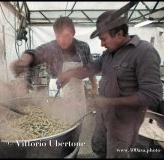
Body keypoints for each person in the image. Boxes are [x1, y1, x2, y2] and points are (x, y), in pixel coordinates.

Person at [56, 10, 163, 158]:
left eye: (103, 39)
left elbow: (151, 96)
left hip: (125, 123)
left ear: (119, 34)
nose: (101, 44)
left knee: (117, 154)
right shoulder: (108, 54)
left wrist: (110, 102)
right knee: (99, 147)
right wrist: (69, 74)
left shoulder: (144, 52)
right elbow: (90, 68)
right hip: (104, 115)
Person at [11, 16, 98, 97]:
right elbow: (35, 53)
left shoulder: (83, 47)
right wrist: (24, 60)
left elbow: (90, 68)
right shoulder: (50, 48)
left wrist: (94, 87)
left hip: (77, 92)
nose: (62, 40)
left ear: (73, 32)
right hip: (56, 90)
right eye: (58, 36)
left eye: (66, 36)